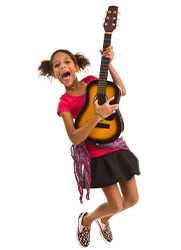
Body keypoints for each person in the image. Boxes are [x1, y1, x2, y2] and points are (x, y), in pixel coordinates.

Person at [38, 47, 141, 248]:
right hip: (96, 154)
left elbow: (122, 91)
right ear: (54, 74)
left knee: (131, 200)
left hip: (117, 146)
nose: (62, 67)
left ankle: (104, 220)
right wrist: (98, 115)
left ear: (76, 67)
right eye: (57, 65)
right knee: (115, 204)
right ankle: (86, 220)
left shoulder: (93, 82)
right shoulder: (64, 103)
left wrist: (108, 63)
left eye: (66, 62)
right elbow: (75, 138)